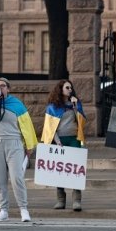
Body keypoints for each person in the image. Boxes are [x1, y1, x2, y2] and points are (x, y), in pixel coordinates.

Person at [0, 77, 37, 223]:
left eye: (3, 86)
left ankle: (23, 209)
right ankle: (3, 210)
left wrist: (29, 145)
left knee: (17, 177)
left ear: (8, 89)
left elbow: (26, 124)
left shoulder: (17, 104)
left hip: (14, 142)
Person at [40, 79, 86, 211]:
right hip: (59, 140)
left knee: (75, 169)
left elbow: (82, 121)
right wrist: (57, 140)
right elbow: (49, 127)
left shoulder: (75, 103)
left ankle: (77, 200)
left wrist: (76, 107)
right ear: (60, 89)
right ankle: (61, 199)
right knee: (60, 171)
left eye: (71, 88)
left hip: (73, 139)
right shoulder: (52, 106)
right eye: (67, 88)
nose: (70, 90)